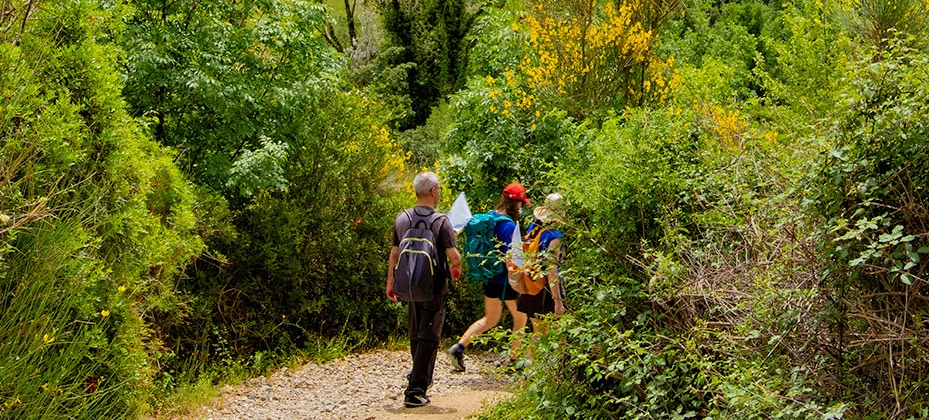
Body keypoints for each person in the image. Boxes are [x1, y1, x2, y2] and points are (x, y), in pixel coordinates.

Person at [386, 171, 462, 408]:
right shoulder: (441, 221)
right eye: (438, 189)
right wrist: (457, 266)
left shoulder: (402, 218)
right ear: (433, 191)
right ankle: (415, 390)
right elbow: (453, 255)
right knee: (429, 336)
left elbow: (395, 254)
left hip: (408, 285)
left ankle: (421, 383)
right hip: (434, 287)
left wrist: (390, 282)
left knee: (416, 333)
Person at [446, 183, 530, 372]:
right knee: (521, 318)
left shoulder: (491, 217)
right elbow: (511, 258)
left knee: (490, 319)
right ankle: (515, 361)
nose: (522, 207)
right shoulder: (508, 225)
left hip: (490, 277)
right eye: (521, 203)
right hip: (506, 281)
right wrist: (520, 279)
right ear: (516, 203)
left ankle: (458, 347)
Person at [516, 193, 566, 337]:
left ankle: (531, 360)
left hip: (531, 285)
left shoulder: (534, 228)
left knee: (538, 333)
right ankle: (557, 360)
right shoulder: (555, 236)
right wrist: (558, 302)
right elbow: (552, 270)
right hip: (546, 291)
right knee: (559, 335)